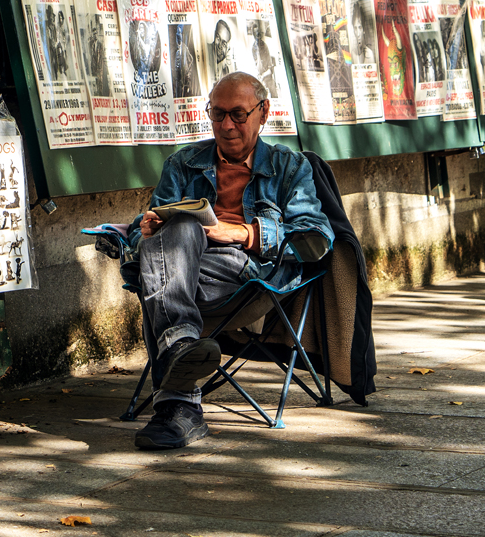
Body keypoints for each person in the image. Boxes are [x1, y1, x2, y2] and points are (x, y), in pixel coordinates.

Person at [127, 71, 333, 450]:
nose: (226, 125)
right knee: (179, 232)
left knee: (157, 276)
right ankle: (181, 353)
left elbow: (316, 239)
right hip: (183, 262)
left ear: (263, 112)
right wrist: (148, 227)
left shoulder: (290, 167)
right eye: (217, 114)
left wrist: (245, 233)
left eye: (238, 114)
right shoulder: (183, 163)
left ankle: (178, 403)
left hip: (248, 272)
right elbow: (155, 227)